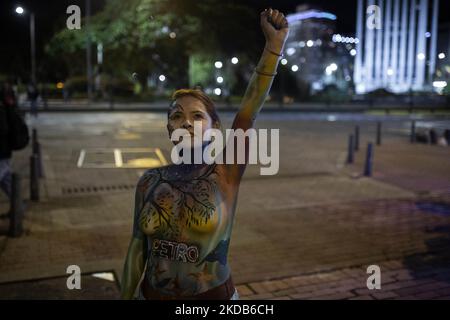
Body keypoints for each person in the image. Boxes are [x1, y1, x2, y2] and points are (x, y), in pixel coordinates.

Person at [121, 8, 289, 300]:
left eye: (197, 116)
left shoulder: (225, 173)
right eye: (176, 116)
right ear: (168, 128)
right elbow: (137, 248)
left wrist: (273, 47)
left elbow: (249, 109)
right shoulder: (149, 182)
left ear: (215, 128)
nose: (185, 121)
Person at [0, 82, 16, 199]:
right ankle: (18, 206)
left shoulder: (2, 109)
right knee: (6, 180)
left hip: (2, 150)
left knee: (5, 176)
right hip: (4, 150)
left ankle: (18, 206)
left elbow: (3, 130)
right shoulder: (7, 106)